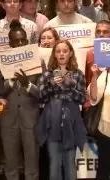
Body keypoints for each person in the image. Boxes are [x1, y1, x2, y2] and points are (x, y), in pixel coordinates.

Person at [37, 40, 87, 180]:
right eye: (58, 51)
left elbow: (82, 99)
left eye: (64, 51)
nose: (61, 54)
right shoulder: (47, 75)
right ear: (54, 54)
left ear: (70, 53)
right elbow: (40, 98)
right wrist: (52, 85)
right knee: (54, 165)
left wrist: (68, 86)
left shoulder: (77, 74)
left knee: (70, 164)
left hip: (71, 124)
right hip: (52, 123)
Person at [0, 19, 40, 180]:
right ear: (10, 44)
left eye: (23, 40)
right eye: (16, 41)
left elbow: (42, 94)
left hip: (30, 119)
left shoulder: (38, 62)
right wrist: (10, 82)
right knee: (10, 162)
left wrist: (28, 84)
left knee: (32, 160)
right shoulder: (0, 63)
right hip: (8, 119)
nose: (20, 43)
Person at [88, 63, 110, 179]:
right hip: (105, 129)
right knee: (104, 167)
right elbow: (94, 98)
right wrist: (95, 75)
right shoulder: (105, 75)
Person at [84, 20, 110, 109]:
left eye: (105, 32)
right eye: (98, 31)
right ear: (95, 34)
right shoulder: (89, 54)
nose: (101, 34)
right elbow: (86, 79)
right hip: (94, 102)